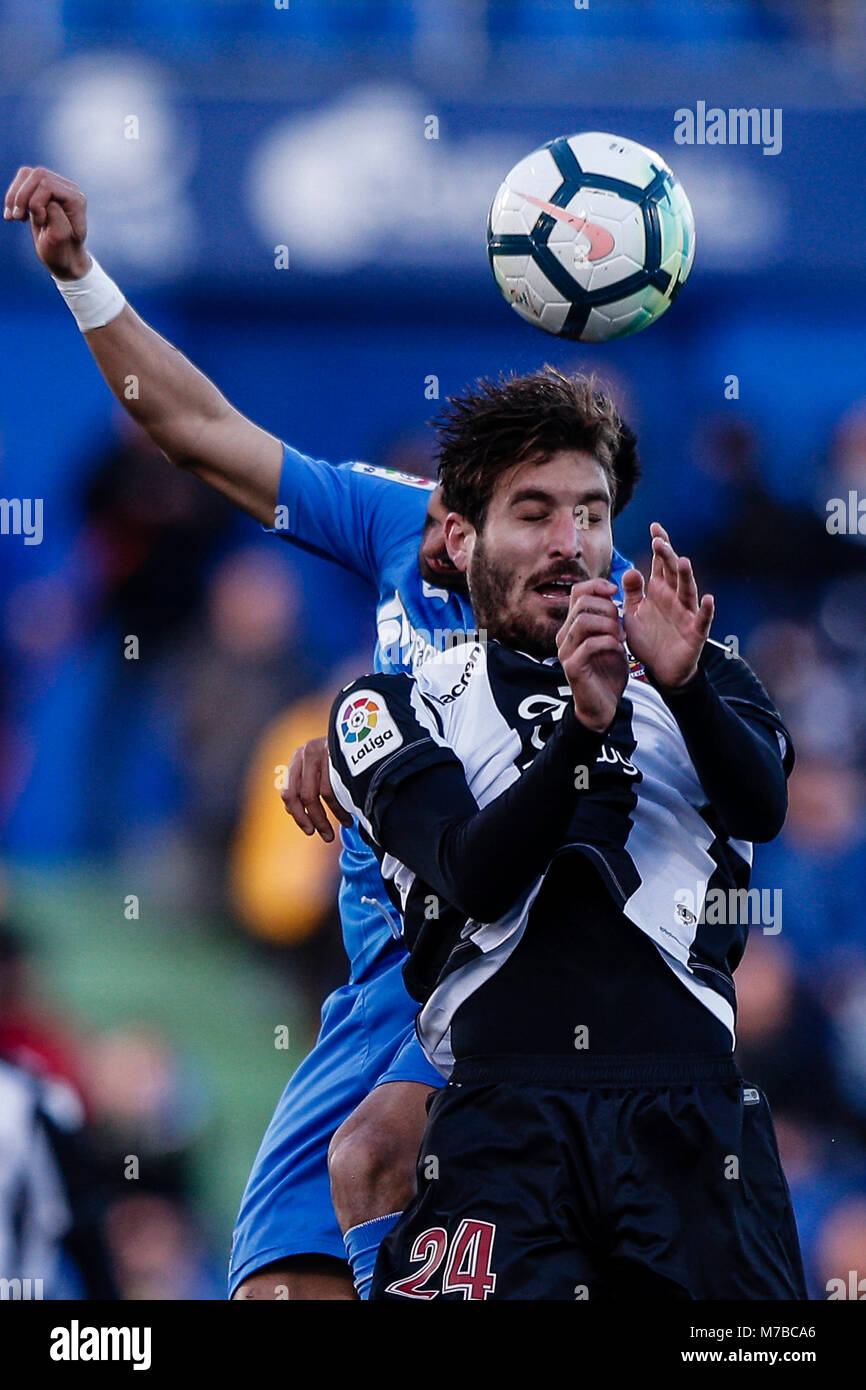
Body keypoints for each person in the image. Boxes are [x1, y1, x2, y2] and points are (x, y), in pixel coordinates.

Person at [2, 164, 641, 1298]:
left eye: (569, 510)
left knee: (378, 1159)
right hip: (374, 983)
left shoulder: (600, 603)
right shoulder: (401, 524)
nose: (543, 534)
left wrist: (361, 737)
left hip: (511, 978)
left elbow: (599, 776)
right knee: (277, 1283)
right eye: (507, 504)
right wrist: (80, 278)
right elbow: (199, 433)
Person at [327, 372, 807, 1299]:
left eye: (591, 513)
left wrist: (687, 685)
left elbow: (764, 809)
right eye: (534, 513)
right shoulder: (391, 705)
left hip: (693, 1120)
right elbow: (473, 872)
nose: (568, 543)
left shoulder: (705, 675)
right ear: (461, 539)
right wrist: (584, 736)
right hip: (501, 1124)